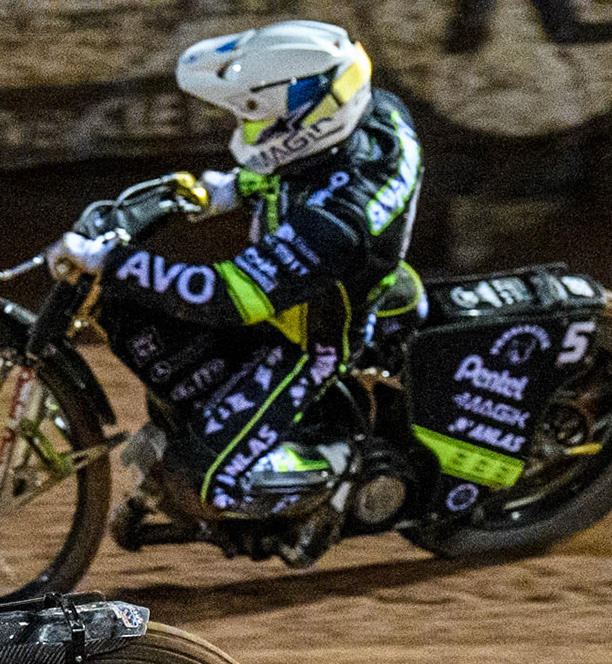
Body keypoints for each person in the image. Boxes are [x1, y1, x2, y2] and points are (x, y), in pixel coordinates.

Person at [52, 19, 425, 570]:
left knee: (200, 478)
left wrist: (116, 263)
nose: (248, 126)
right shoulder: (373, 110)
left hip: (308, 343)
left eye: (258, 114)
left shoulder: (336, 222)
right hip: (326, 281)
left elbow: (230, 295)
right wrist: (222, 191)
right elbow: (310, 173)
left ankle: (334, 471)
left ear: (306, 117)